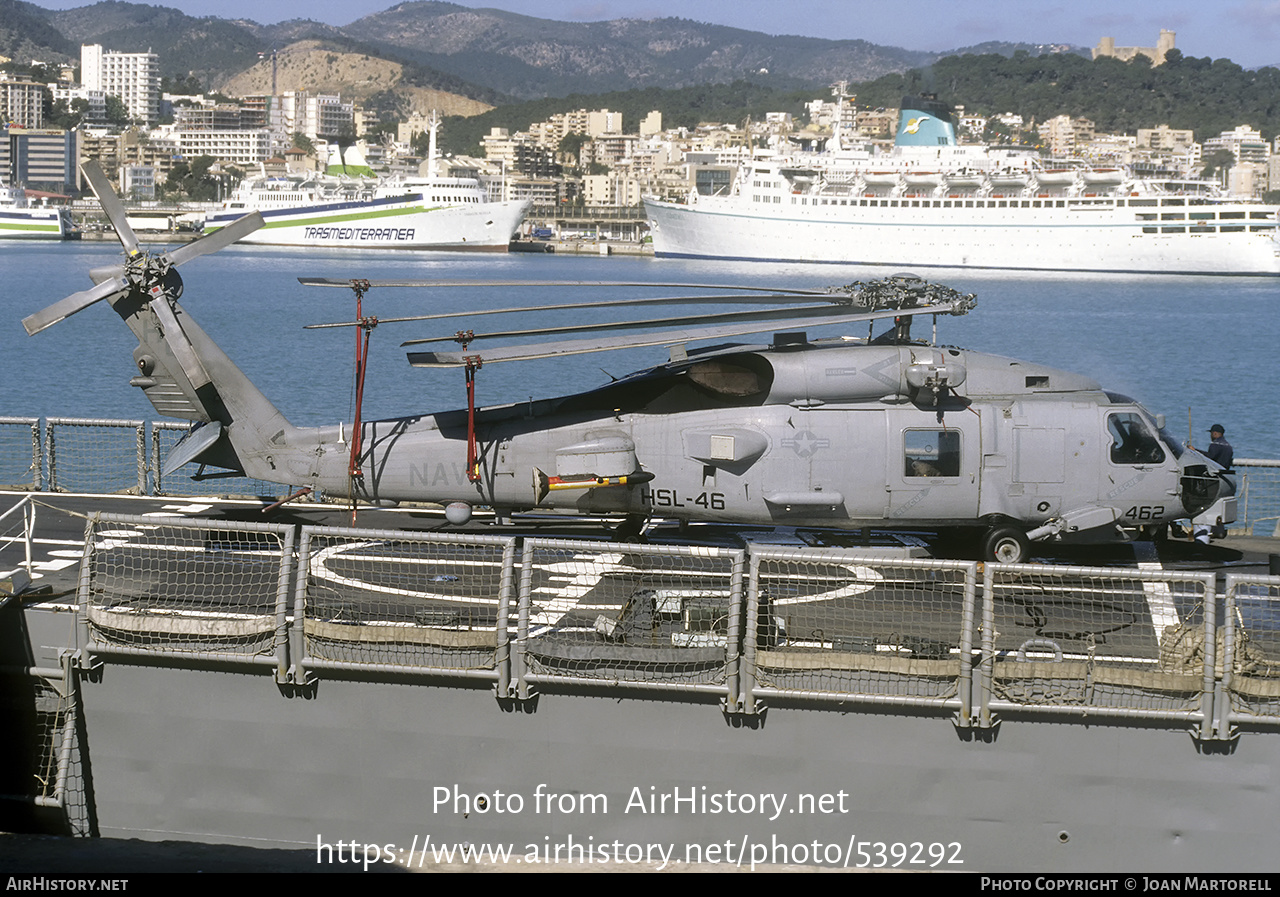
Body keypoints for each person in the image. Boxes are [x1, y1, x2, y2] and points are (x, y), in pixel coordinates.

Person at [1189, 424, 1234, 543]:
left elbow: (1210, 458)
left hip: (1214, 480)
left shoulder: (1215, 445)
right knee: (1219, 507)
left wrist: (1195, 451)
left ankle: (1202, 536)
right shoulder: (1228, 446)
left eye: (1211, 433)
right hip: (1226, 479)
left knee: (1205, 507)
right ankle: (1219, 531)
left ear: (1214, 433)